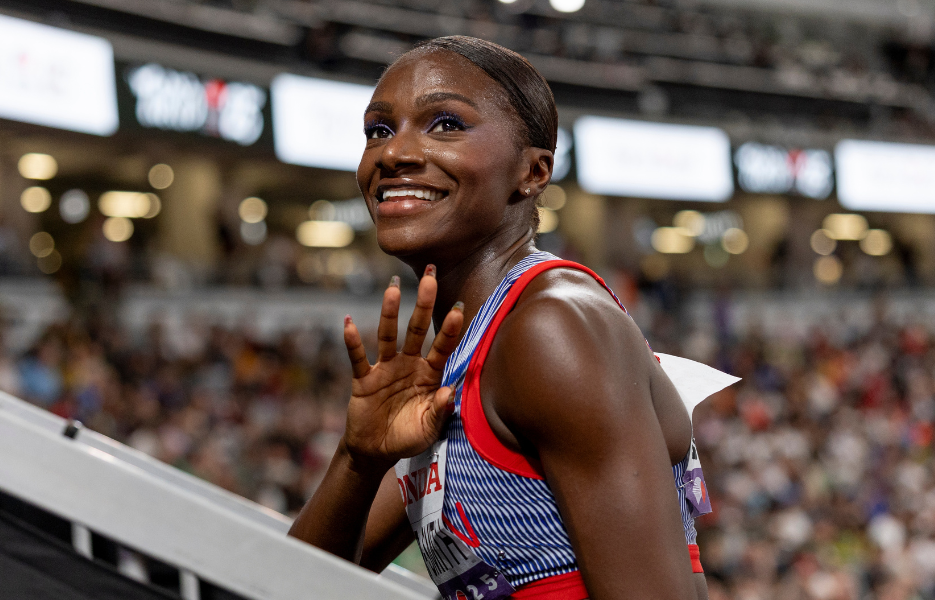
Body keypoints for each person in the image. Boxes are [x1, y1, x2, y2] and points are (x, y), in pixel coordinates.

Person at [288, 36, 710, 600]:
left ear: (533, 172)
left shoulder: (551, 326)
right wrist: (358, 459)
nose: (393, 154)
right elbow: (292, 585)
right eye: (378, 131)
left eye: (445, 124)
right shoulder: (462, 356)